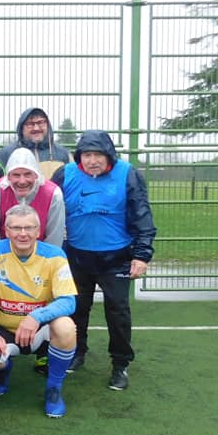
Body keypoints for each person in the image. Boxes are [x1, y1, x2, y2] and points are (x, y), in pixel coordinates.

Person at [52, 130, 156, 391]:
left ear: (109, 155)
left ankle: (120, 364)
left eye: (98, 154)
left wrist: (142, 255)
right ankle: (76, 352)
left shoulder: (127, 174)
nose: (92, 160)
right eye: (87, 154)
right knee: (76, 309)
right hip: (76, 256)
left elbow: (143, 216)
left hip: (116, 258)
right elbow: (48, 209)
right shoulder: (66, 174)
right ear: (79, 157)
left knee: (118, 311)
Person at [0, 204, 78, 418]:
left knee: (66, 327)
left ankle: (53, 390)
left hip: (39, 329)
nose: (23, 233)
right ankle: (2, 370)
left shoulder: (55, 255)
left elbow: (68, 301)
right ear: (6, 231)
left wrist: (35, 317)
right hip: (2, 329)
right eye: (16, 228)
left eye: (29, 227)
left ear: (38, 230)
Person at [0, 147, 66, 248]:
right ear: (8, 176)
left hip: (40, 254)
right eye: (16, 175)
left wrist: (47, 261)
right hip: (4, 253)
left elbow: (54, 238)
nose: (22, 181)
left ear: (36, 175)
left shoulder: (53, 194)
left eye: (27, 174)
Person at [0, 107, 71, 179]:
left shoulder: (63, 153)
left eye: (40, 122)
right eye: (30, 124)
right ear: (21, 127)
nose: (36, 128)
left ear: (47, 125)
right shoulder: (7, 153)